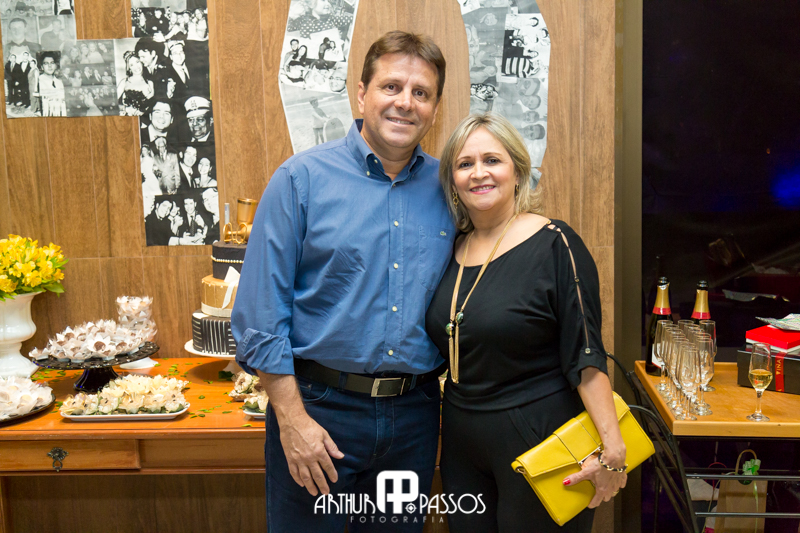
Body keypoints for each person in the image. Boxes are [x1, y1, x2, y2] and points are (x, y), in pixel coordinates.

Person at [231, 31, 453, 532]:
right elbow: (260, 317)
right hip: (319, 411)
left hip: (415, 417)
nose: (405, 102)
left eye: (421, 92)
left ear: (435, 109)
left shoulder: (450, 189)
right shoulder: (301, 180)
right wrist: (293, 420)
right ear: (361, 94)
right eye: (391, 86)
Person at [426, 113, 626, 532]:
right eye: (464, 164)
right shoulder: (451, 250)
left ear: (517, 172)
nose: (478, 173)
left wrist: (613, 453)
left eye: (492, 160)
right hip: (462, 445)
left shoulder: (556, 243)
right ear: (452, 182)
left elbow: (586, 355)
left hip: (540, 438)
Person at [286, 0, 354, 39]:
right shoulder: (303, 20)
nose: (328, 4)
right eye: (323, 0)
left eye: (328, 1)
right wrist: (293, 15)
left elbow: (351, 19)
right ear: (311, 3)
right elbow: (289, 28)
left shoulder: (331, 18)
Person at [117, 51, 154, 116]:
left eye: (137, 62)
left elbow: (153, 105)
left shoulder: (149, 83)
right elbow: (112, 101)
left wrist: (144, 111)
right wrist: (123, 109)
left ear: (141, 62)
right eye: (132, 65)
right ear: (129, 68)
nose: (136, 67)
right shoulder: (124, 82)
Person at [38, 52, 66, 116]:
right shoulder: (38, 81)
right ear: (42, 67)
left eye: (52, 63)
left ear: (55, 66)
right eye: (46, 63)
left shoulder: (59, 82)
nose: (50, 66)